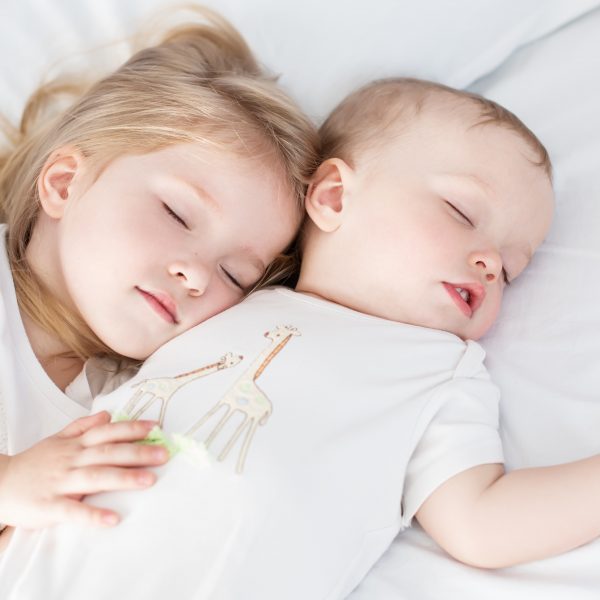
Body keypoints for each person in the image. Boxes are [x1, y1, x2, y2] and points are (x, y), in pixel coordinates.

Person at [2, 78, 595, 600]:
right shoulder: (223, 310)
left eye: (511, 270)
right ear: (334, 196)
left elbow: (480, 523)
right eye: (462, 213)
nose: (490, 263)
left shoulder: (439, 371)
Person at [0, 6, 318, 547]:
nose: (195, 275)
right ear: (64, 183)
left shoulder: (139, 401)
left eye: (235, 274)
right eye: (177, 214)